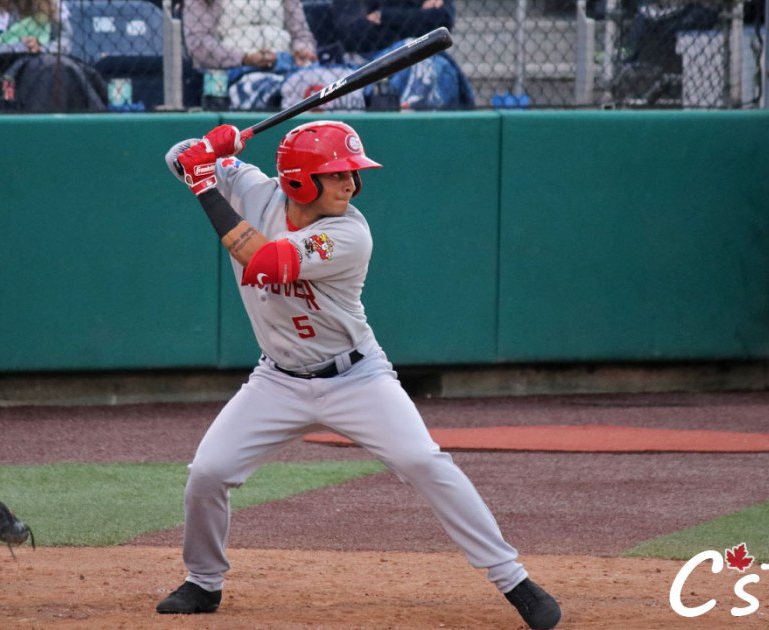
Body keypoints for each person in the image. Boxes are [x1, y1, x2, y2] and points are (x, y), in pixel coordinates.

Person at [155, 121, 562, 630]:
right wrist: (212, 148)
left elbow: (263, 260)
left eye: (352, 172)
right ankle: (204, 582)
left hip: (356, 378)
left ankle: (513, 579)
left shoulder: (349, 233)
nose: (352, 183)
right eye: (338, 173)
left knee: (424, 460)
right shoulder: (253, 188)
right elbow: (177, 156)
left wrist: (203, 184)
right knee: (207, 474)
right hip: (277, 381)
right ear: (300, 181)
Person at [321, 0, 474, 109]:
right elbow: (354, 35)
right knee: (413, 51)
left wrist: (385, 16)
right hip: (366, 61)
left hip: (422, 56)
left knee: (427, 60)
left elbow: (442, 22)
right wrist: (416, 19)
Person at [0, 0, 106, 112]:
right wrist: (15, 47)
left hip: (32, 72)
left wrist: (41, 47)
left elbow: (64, 42)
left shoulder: (52, 3)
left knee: (54, 69)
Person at [181, 0, 318, 109]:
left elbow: (302, 35)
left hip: (287, 66)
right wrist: (245, 58)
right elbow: (198, 43)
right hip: (234, 72)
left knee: (318, 84)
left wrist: (303, 51)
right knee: (280, 93)